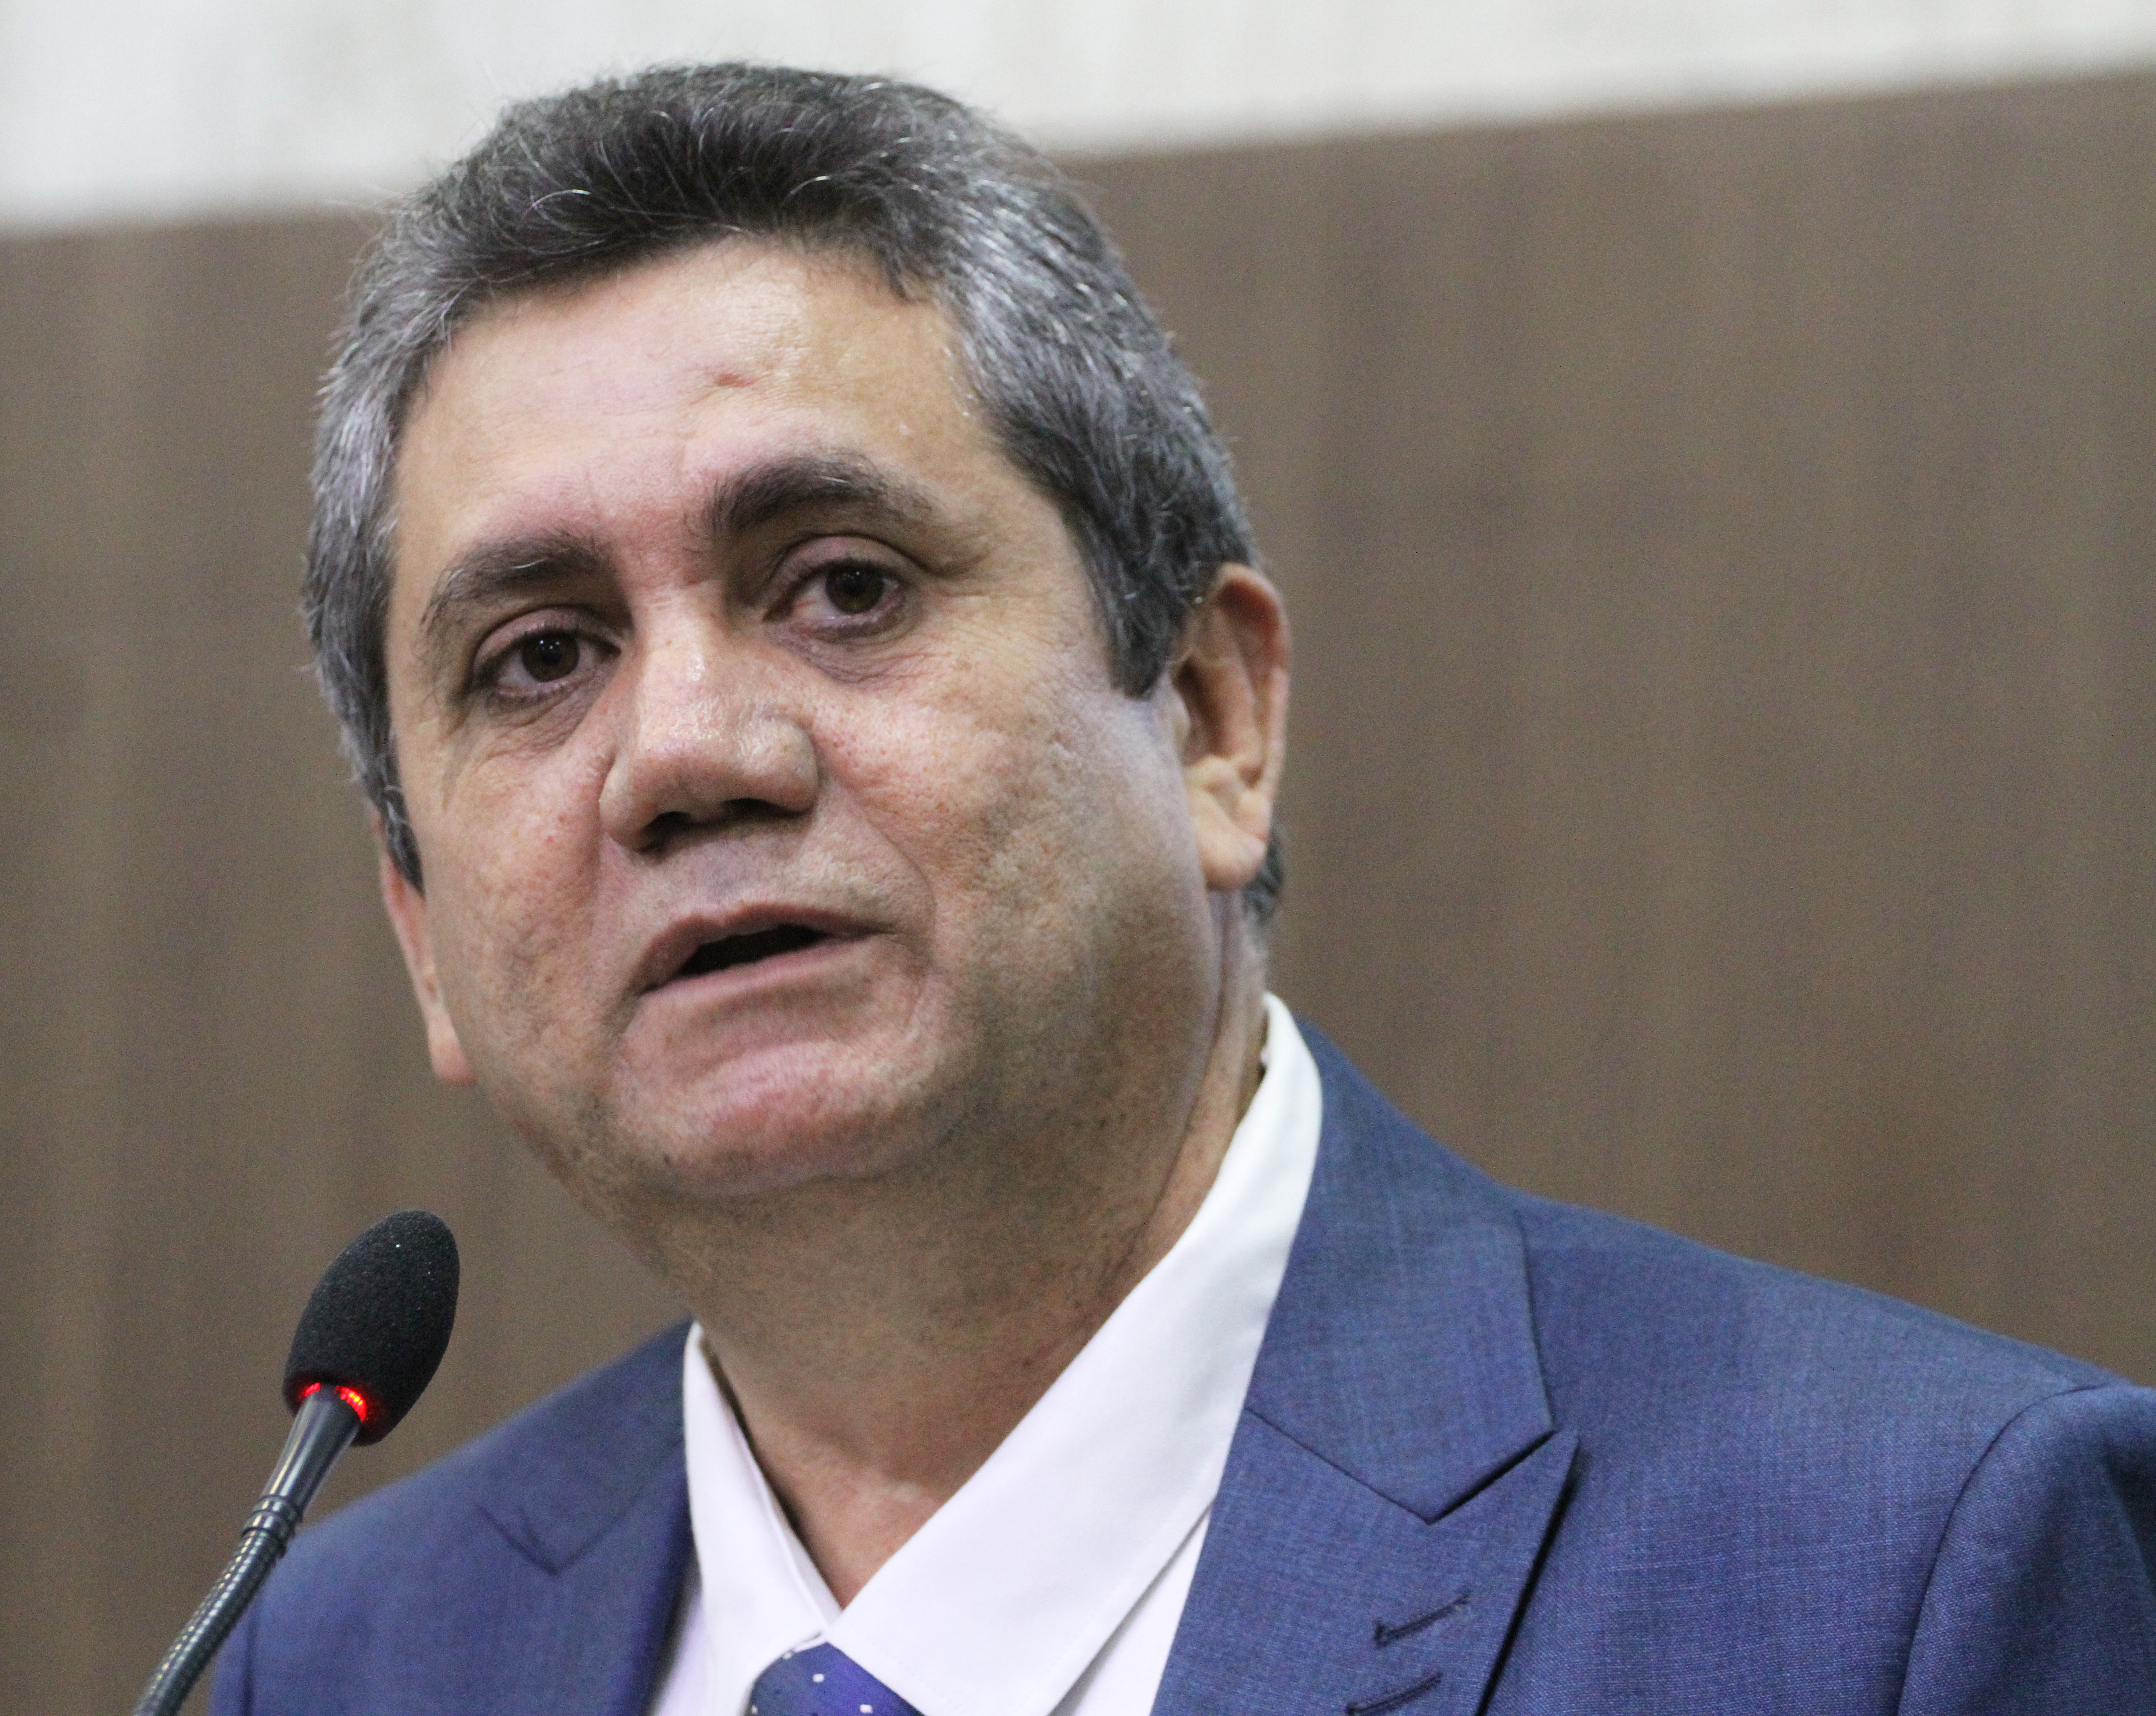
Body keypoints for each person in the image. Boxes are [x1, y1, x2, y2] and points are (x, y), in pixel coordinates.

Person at [214, 62, 2156, 1716]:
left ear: (1213, 718)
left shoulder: (1908, 1574)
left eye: (843, 585)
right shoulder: (340, 1660)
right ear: (426, 938)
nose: (686, 754)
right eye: (541, 659)